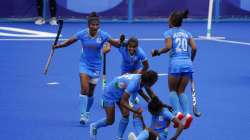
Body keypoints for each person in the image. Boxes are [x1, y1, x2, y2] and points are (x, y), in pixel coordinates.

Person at [53, 12, 122, 125]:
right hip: (84, 63)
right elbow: (69, 41)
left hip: (96, 66)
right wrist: (59, 46)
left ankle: (87, 111)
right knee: (84, 88)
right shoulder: (82, 34)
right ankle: (82, 115)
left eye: (97, 25)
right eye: (93, 25)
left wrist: (121, 42)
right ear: (88, 25)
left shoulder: (103, 35)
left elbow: (115, 44)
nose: (95, 27)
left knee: (90, 93)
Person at [151, 9, 197, 129]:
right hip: (187, 64)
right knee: (181, 90)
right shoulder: (187, 33)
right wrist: (190, 61)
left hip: (176, 64)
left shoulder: (168, 33)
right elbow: (195, 48)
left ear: (171, 21)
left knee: (172, 90)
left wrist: (157, 52)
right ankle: (187, 114)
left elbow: (168, 47)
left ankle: (177, 113)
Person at [89, 70, 158, 140]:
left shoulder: (141, 79)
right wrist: (135, 111)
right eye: (154, 82)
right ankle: (94, 126)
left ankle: (119, 138)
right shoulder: (134, 84)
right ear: (149, 81)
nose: (154, 83)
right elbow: (123, 101)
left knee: (125, 114)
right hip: (110, 94)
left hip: (121, 92)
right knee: (110, 121)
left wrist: (148, 99)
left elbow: (138, 89)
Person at [111, 36, 151, 139]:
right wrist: (118, 42)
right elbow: (115, 43)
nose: (132, 49)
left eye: (134, 47)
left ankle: (132, 101)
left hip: (136, 69)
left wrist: (138, 73)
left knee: (135, 86)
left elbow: (146, 66)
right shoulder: (123, 49)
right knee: (127, 87)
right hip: (125, 72)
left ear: (137, 47)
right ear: (127, 46)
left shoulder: (141, 53)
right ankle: (131, 100)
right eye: (130, 47)